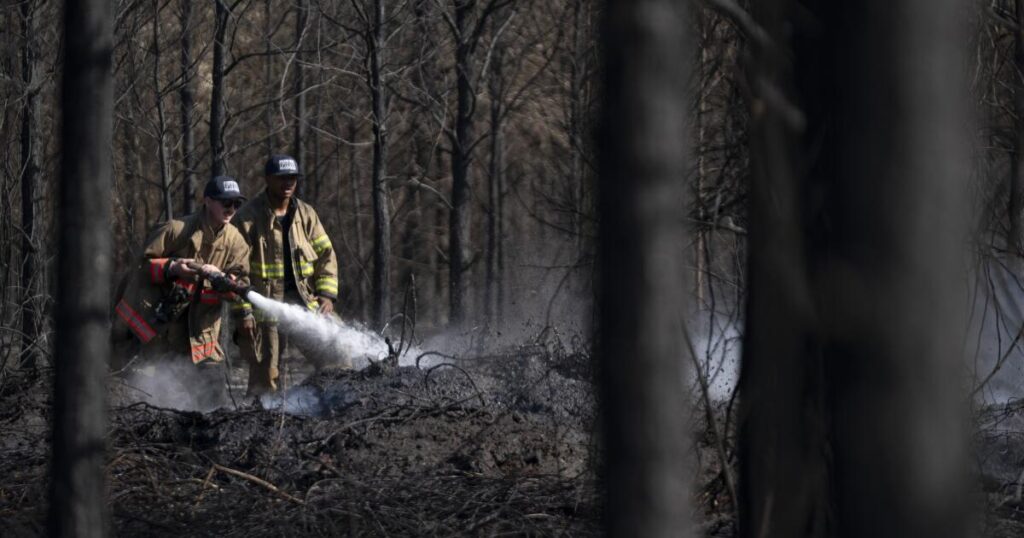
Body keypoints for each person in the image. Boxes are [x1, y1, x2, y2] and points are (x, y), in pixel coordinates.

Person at [112, 175, 252, 408]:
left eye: (236, 204)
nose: (231, 209)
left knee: (212, 408)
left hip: (203, 341)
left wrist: (226, 282)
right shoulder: (176, 230)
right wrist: (172, 268)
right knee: (152, 405)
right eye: (226, 203)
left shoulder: (236, 243)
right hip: (159, 337)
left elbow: (240, 284)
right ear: (207, 201)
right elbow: (139, 267)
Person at [233, 154, 343, 395]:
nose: (288, 184)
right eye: (282, 178)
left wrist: (326, 295)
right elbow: (236, 271)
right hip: (265, 309)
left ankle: (331, 405)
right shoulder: (247, 219)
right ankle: (261, 422)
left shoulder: (306, 214)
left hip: (305, 301)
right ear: (268, 180)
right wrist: (245, 312)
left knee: (337, 354)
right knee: (265, 376)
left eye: (292, 178)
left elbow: (326, 254)